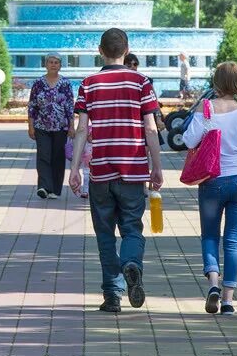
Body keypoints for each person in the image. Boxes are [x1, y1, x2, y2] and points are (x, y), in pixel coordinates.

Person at [69, 28, 164, 313]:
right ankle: (131, 262)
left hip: (101, 172)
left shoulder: (89, 83)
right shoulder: (141, 83)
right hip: (134, 170)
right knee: (132, 227)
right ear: (127, 49)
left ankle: (112, 296)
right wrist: (156, 167)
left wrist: (75, 170)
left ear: (100, 50)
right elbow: (150, 127)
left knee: (104, 234)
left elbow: (82, 129)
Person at [181, 61, 237, 315]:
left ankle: (213, 285)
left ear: (216, 82)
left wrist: (202, 120)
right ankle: (228, 301)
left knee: (209, 235)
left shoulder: (206, 109)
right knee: (233, 241)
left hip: (212, 180)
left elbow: (188, 141)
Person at [27, 54, 74, 199]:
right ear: (46, 64)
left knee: (58, 158)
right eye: (51, 62)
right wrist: (31, 126)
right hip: (42, 126)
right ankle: (43, 187)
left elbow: (70, 106)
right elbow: (32, 106)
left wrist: (72, 126)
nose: (53, 65)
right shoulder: (38, 83)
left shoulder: (65, 83)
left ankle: (55, 189)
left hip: (61, 127)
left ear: (60, 65)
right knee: (43, 156)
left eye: (56, 62)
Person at [124, 52, 166, 134]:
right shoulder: (119, 82)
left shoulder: (145, 81)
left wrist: (158, 119)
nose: (132, 67)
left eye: (135, 64)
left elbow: (154, 102)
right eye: (129, 65)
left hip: (144, 121)